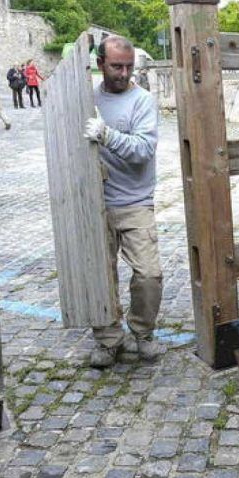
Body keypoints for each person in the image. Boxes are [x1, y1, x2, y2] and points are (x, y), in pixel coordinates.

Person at [83, 35, 165, 368]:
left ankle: (142, 332)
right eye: (117, 66)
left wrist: (106, 135)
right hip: (96, 202)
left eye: (129, 66)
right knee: (100, 276)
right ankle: (108, 340)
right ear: (100, 63)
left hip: (135, 202)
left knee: (149, 275)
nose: (124, 73)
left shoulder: (142, 101)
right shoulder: (87, 99)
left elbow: (143, 150)